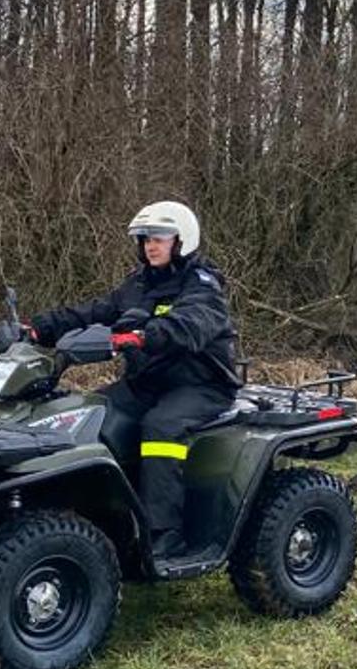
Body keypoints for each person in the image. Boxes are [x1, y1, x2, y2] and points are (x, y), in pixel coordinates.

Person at [28, 201, 239, 558]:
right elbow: (95, 311)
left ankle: (164, 534)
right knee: (90, 415)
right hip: (147, 384)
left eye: (158, 238)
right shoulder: (138, 285)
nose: (150, 246)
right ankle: (100, 519)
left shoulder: (203, 285)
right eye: (144, 240)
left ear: (181, 239)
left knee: (160, 429)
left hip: (201, 385)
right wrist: (38, 329)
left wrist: (144, 335)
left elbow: (190, 323)